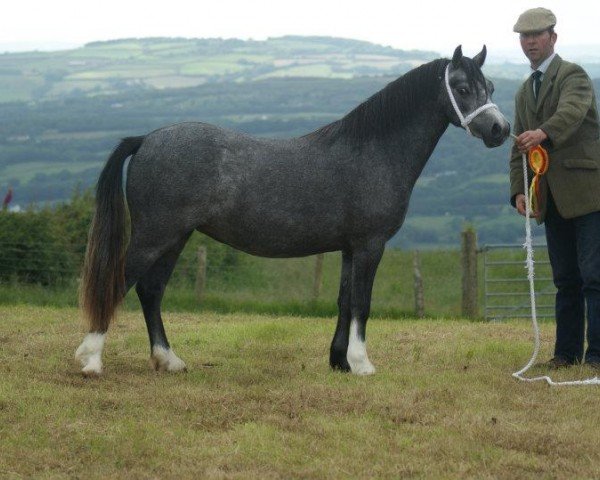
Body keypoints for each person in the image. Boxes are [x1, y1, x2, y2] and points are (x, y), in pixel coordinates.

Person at [510, 7, 600, 369]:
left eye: (537, 35)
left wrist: (543, 133)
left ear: (553, 38)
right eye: (524, 36)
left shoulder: (573, 75)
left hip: (588, 194)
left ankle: (597, 355)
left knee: (595, 278)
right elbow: (517, 145)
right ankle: (566, 354)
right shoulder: (522, 91)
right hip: (550, 198)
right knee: (565, 280)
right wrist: (519, 190)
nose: (530, 41)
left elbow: (572, 112)